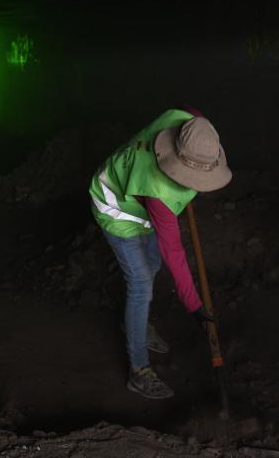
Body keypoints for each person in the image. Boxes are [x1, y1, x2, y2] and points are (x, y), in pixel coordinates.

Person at [89, 108, 231, 399]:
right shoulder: (158, 193)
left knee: (151, 262)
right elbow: (174, 251)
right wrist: (194, 304)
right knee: (140, 285)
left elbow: (196, 119)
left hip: (138, 197)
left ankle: (135, 324)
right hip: (114, 204)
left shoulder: (189, 122)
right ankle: (138, 371)